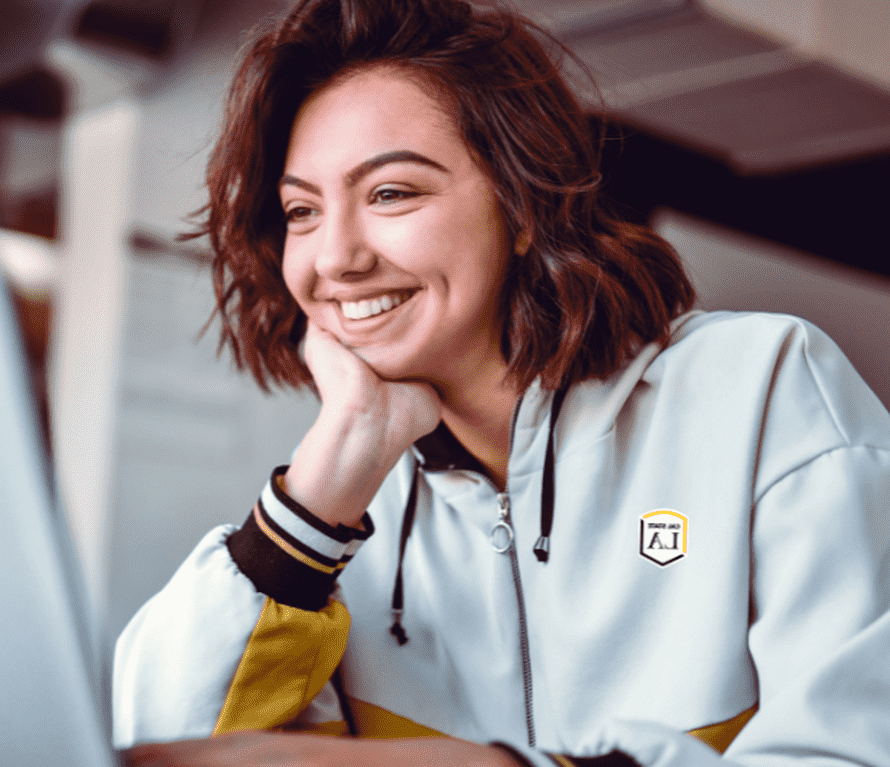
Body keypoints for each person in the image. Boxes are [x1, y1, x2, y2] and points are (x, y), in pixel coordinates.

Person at [111, 1, 890, 765]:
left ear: (520, 206)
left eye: (390, 193)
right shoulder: (339, 507)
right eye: (301, 211)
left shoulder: (761, 388)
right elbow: (161, 741)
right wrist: (331, 470)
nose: (335, 257)